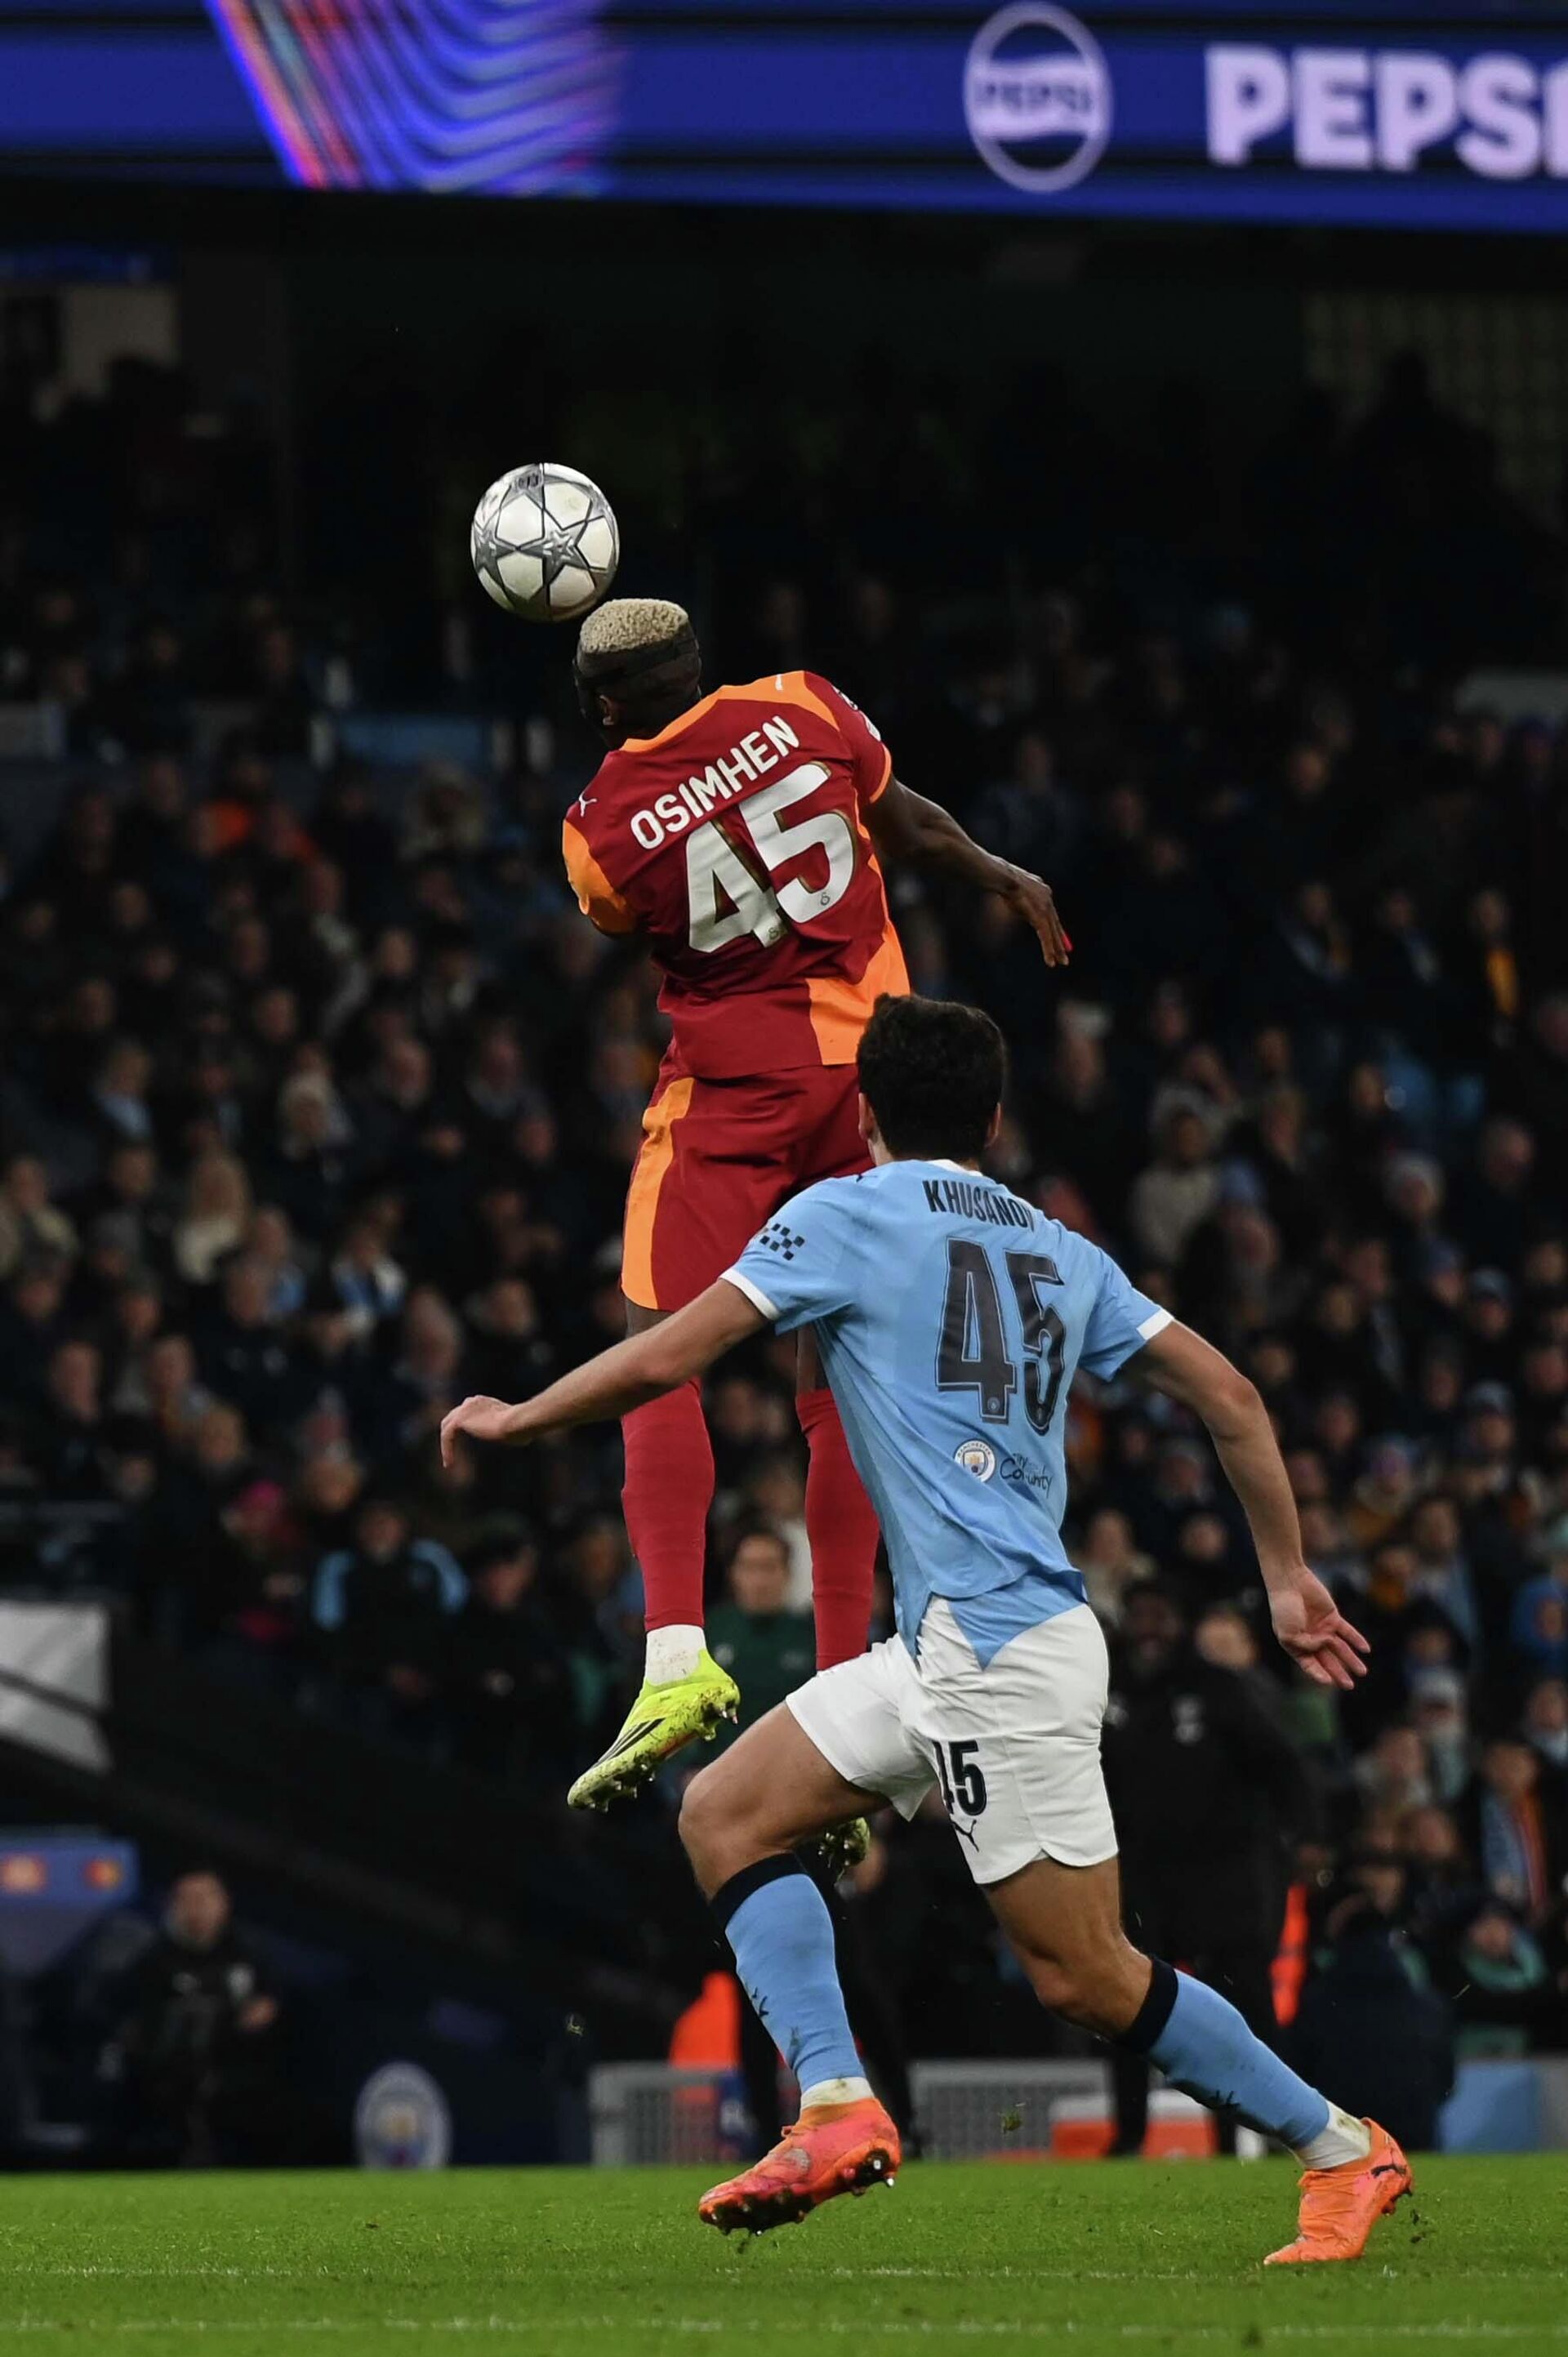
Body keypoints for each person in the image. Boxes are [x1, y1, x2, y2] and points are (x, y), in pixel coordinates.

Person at [442, 995, 1409, 2265]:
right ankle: (836, 2103)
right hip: (941, 1644)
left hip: (1003, 1655)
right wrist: (1284, 1574)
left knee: (1088, 1976)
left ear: (863, 1114)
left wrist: (516, 1418)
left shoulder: (842, 1214)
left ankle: (1343, 2147)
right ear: (996, 1120)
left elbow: (666, 1355)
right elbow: (1229, 1394)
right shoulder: (1061, 1247)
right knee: (725, 1809)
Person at [559, 599, 1070, 1809]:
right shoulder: (805, 701)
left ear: (602, 704)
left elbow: (632, 920)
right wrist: (1001, 874)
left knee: (656, 1358)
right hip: (870, 1091)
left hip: (730, 1102)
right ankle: (847, 1680)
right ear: (702, 663)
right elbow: (914, 825)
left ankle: (676, 1653)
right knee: (838, 1377)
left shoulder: (598, 830)